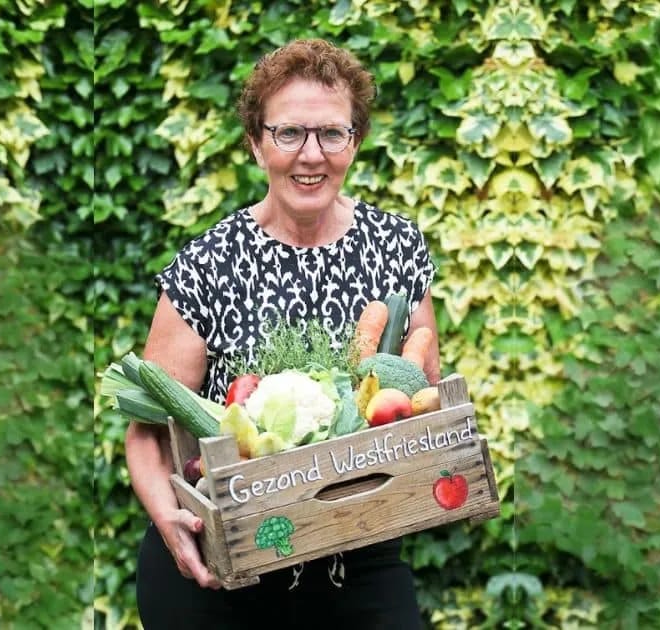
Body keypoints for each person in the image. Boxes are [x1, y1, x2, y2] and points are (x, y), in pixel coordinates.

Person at [125, 38, 439, 629]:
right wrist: (170, 523)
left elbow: (420, 401)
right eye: (289, 133)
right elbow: (147, 434)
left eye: (332, 134)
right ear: (256, 143)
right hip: (227, 562)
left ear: (356, 141)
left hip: (355, 555)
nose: (311, 155)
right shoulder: (209, 263)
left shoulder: (397, 248)